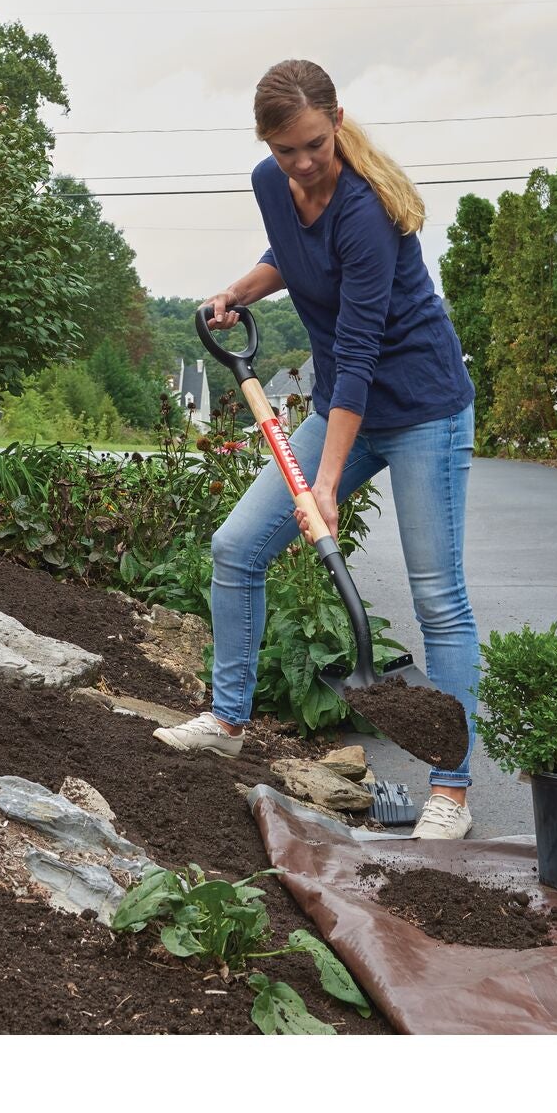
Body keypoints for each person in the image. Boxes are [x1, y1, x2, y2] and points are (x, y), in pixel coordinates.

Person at [152, 58, 481, 840]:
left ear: (337, 118)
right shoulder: (272, 183)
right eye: (283, 149)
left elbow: (362, 356)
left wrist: (325, 484)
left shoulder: (368, 212)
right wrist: (238, 291)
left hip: (420, 407)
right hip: (344, 403)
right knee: (236, 546)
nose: (300, 163)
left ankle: (451, 792)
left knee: (438, 599)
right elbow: (294, 261)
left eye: (311, 144)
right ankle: (228, 721)